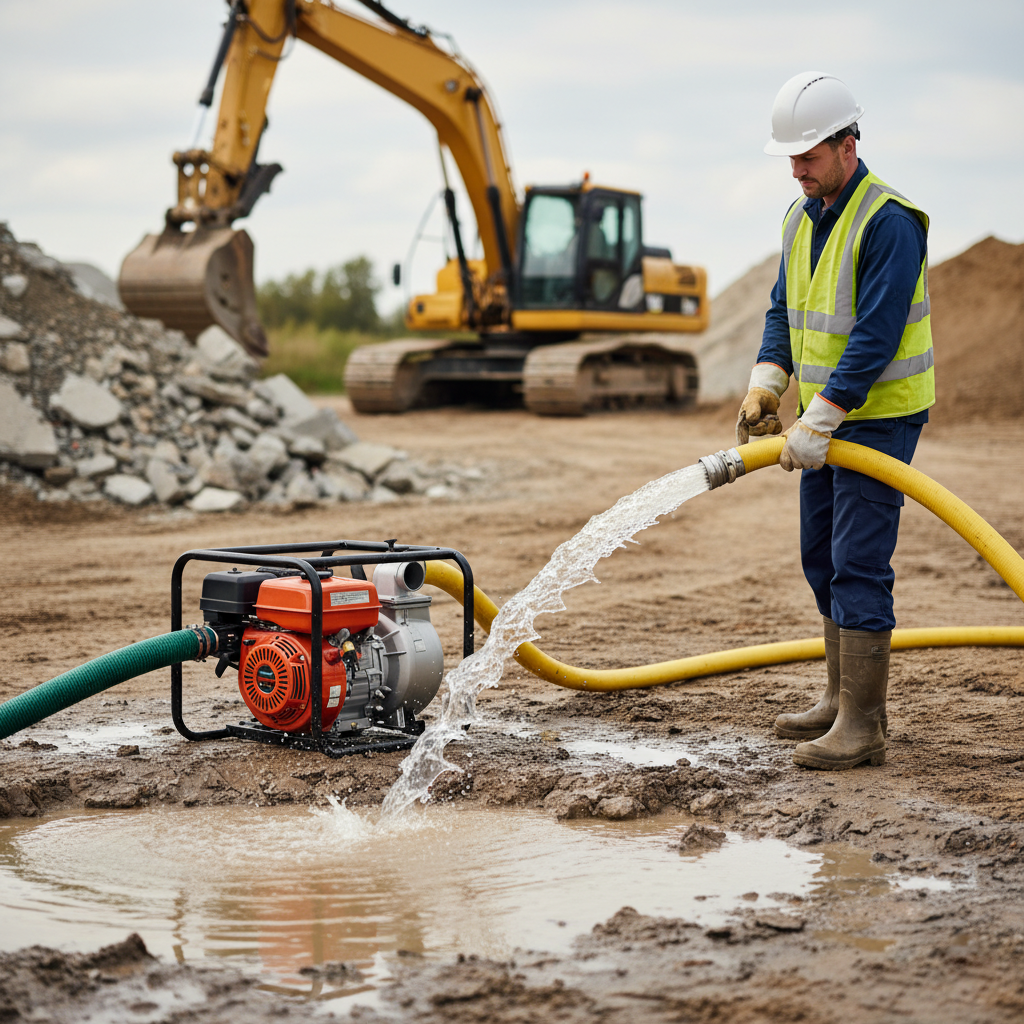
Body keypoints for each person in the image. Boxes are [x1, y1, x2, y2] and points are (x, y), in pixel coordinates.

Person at [737, 71, 934, 771]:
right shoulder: (800, 217)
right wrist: (767, 385)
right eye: (790, 158)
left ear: (849, 145)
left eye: (809, 156)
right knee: (819, 556)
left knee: (857, 563)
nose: (797, 170)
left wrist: (820, 419)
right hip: (827, 419)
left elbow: (876, 336)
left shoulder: (890, 222)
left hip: (878, 418)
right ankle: (837, 699)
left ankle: (864, 725)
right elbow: (783, 311)